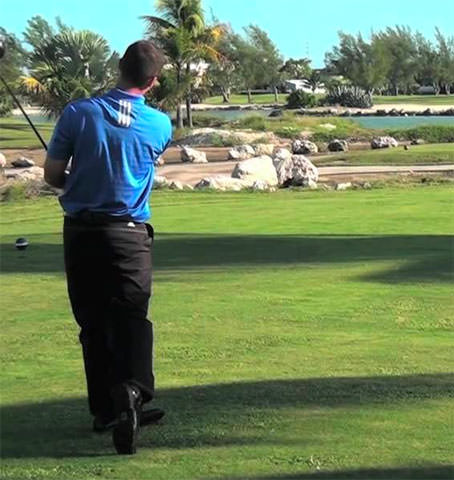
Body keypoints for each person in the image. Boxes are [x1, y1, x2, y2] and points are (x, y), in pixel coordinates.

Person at [44, 40, 172, 455]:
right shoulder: (160, 125)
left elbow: (52, 175)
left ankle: (105, 409)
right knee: (132, 319)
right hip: (130, 235)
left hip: (81, 233)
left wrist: (75, 182)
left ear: (119, 66)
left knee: (93, 323)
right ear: (152, 82)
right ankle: (131, 394)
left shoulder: (78, 113)